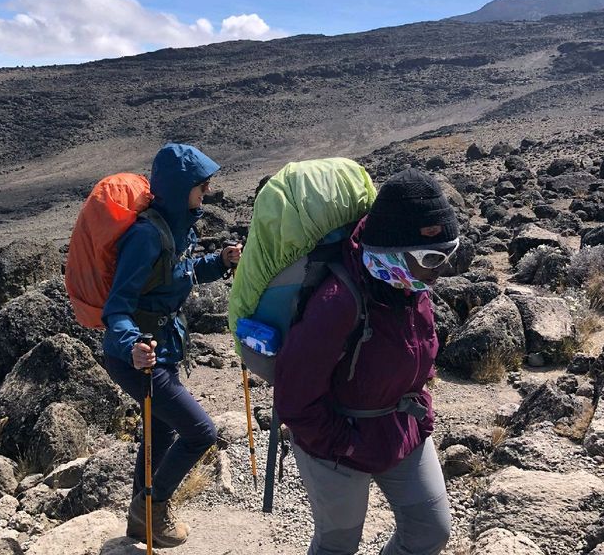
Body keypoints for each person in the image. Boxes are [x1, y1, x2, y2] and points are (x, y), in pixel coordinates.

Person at [274, 168, 459, 555]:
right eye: (431, 257)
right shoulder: (338, 302)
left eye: (449, 254)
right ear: (393, 250)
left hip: (398, 425)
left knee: (430, 531)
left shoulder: (409, 283)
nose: (441, 269)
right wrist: (346, 444)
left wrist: (420, 410)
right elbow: (293, 400)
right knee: (338, 544)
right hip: (336, 443)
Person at [102, 142, 241, 548]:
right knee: (200, 432)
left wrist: (220, 261)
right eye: (202, 187)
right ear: (182, 189)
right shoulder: (146, 235)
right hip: (138, 357)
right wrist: (131, 345)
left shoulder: (177, 227)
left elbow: (180, 273)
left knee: (160, 434)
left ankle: (139, 519)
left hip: (162, 350)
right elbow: (117, 308)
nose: (207, 194)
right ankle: (154, 506)